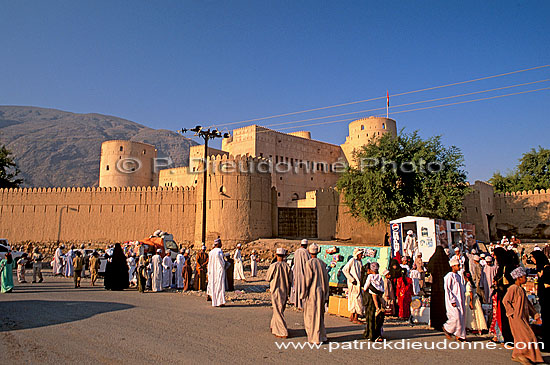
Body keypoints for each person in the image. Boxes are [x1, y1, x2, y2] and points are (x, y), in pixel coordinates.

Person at [503, 267, 543, 364]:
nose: (526, 279)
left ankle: (520, 355)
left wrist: (535, 315)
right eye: (524, 277)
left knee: (523, 337)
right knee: (527, 336)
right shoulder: (513, 288)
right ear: (519, 278)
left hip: (522, 317)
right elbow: (505, 301)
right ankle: (523, 355)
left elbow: (528, 304)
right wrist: (511, 313)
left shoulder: (521, 289)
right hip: (516, 317)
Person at [301, 243, 329, 345]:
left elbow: (307, 280)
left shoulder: (309, 264)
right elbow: (326, 280)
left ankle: (315, 337)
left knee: (312, 315)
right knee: (319, 315)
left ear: (309, 252)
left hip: (313, 293)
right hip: (321, 292)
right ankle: (322, 336)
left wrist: (303, 293)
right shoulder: (322, 263)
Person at [266, 248, 293, 338]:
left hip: (276, 290)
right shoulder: (287, 267)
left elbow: (268, 278)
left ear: (276, 255)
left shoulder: (273, 266)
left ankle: (282, 331)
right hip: (284, 290)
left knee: (278, 310)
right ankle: (274, 326)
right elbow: (291, 279)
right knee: (279, 309)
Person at [443, 257, 466, 342]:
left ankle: (460, 335)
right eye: (457, 265)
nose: (459, 267)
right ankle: (447, 328)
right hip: (452, 300)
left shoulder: (458, 276)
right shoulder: (449, 276)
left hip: (460, 299)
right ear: (453, 266)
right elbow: (448, 289)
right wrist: (452, 300)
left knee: (461, 317)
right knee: (456, 317)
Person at [530, 250, 550, 350]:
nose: (532, 260)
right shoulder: (541, 269)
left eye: (533, 257)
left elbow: (547, 286)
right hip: (543, 299)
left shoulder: (547, 269)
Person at [363, 262, 385, 342]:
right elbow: (382, 288)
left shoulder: (368, 277)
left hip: (369, 301)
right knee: (376, 318)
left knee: (371, 318)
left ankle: (371, 335)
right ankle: (376, 334)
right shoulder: (379, 277)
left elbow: (365, 287)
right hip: (376, 299)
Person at [342, 248, 363, 324]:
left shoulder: (360, 262)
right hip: (353, 283)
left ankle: (352, 316)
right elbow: (344, 270)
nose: (362, 255)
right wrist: (351, 279)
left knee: (354, 299)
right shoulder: (352, 261)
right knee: (357, 299)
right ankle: (355, 318)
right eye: (360, 254)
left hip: (358, 284)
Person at [290, 239, 311, 310]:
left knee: (297, 287)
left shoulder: (296, 252)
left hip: (296, 272)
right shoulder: (305, 252)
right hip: (303, 273)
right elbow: (308, 263)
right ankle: (302, 304)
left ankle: (296, 302)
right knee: (303, 288)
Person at [207, 238, 226, 307]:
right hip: (219, 271)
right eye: (220, 243)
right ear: (218, 244)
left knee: (214, 285)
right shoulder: (219, 251)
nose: (221, 245)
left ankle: (214, 302)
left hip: (212, 272)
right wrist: (225, 265)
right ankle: (220, 302)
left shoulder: (211, 252)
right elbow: (222, 262)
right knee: (220, 286)